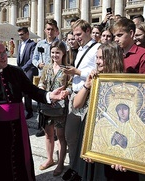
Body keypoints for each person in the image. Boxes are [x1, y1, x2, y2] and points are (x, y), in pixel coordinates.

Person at [0, 39, 65, 181]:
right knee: (1, 168)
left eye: (5, 52)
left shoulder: (16, 72)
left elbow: (32, 90)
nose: (4, 56)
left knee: (20, 163)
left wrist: (49, 95)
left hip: (18, 128)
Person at [70, 41, 141, 181]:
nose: (97, 62)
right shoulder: (95, 78)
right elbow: (77, 104)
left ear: (112, 58)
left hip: (114, 134)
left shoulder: (126, 82)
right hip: (90, 129)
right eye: (97, 57)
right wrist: (87, 85)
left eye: (101, 58)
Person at [61, 19, 101, 180]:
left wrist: (77, 72)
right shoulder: (81, 49)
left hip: (87, 96)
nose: (76, 37)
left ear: (88, 31)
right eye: (74, 35)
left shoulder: (97, 48)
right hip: (76, 94)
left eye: (79, 34)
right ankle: (74, 166)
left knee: (84, 137)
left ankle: (80, 170)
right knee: (71, 136)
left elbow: (97, 72)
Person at [37, 40, 71, 176]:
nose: (55, 55)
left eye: (57, 52)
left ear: (63, 53)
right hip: (47, 105)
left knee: (61, 136)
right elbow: (42, 82)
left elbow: (70, 85)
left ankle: (61, 162)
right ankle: (50, 159)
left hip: (60, 107)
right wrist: (42, 91)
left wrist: (66, 92)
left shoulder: (67, 69)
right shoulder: (47, 68)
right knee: (48, 134)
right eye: (52, 52)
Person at [32, 19, 59, 137]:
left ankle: (56, 129)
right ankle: (42, 127)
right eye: (48, 29)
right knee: (41, 102)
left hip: (55, 77)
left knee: (55, 102)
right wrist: (38, 64)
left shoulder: (59, 44)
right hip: (42, 77)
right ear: (44, 30)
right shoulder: (40, 44)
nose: (50, 31)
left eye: (52, 29)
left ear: (56, 31)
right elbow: (34, 58)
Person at [17, 27, 38, 119]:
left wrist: (23, 68)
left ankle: (29, 111)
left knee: (27, 91)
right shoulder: (20, 45)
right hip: (21, 70)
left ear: (27, 34)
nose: (20, 37)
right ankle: (21, 109)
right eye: (19, 35)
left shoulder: (33, 44)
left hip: (28, 70)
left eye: (22, 34)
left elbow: (32, 59)